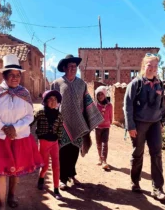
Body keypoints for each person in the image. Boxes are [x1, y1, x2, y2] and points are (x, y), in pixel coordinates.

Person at [0, 54, 43, 210]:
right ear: (4, 76)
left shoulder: (24, 94)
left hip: (19, 137)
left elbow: (30, 116)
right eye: (11, 75)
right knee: (1, 171)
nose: (15, 78)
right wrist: (3, 128)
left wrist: (14, 128)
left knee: (15, 171)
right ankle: (1, 203)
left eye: (18, 75)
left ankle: (11, 195)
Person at [51, 54, 104, 190]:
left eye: (75, 66)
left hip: (79, 122)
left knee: (75, 149)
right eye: (70, 66)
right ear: (64, 68)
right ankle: (62, 179)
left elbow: (87, 102)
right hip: (62, 123)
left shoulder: (82, 84)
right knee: (63, 150)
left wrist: (92, 118)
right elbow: (51, 103)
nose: (73, 69)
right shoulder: (57, 84)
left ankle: (71, 174)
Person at [123, 53, 165, 201]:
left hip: (155, 123)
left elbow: (162, 105)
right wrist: (130, 126)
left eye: (155, 66)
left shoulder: (159, 84)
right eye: (150, 65)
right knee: (138, 152)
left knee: (157, 154)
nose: (153, 68)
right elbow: (128, 106)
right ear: (144, 66)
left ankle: (158, 188)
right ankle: (135, 181)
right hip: (139, 123)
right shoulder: (135, 84)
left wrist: (162, 121)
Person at [31, 90, 64, 200]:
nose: (52, 102)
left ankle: (56, 189)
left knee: (56, 166)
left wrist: (59, 140)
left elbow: (60, 129)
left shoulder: (59, 116)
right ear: (45, 102)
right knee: (45, 166)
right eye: (50, 99)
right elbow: (30, 121)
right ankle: (41, 178)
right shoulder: (40, 112)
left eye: (55, 100)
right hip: (44, 142)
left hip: (54, 143)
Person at [95, 86, 113, 170]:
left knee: (104, 143)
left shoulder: (109, 105)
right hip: (97, 127)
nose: (100, 96)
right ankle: (100, 158)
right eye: (98, 95)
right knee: (98, 143)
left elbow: (110, 115)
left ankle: (104, 161)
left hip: (106, 126)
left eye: (101, 94)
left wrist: (110, 122)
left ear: (105, 95)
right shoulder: (95, 105)